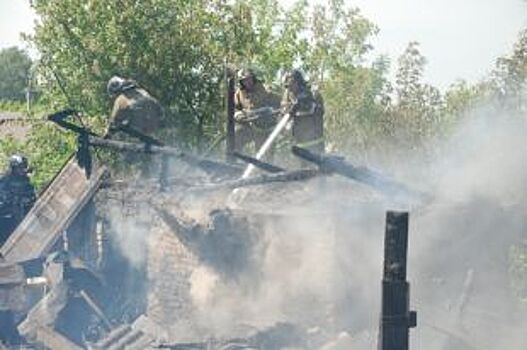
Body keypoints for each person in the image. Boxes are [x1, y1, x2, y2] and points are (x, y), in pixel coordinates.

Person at [234, 67, 281, 154]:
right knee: (236, 136)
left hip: (264, 128)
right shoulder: (239, 94)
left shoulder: (266, 90)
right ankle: (235, 161)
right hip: (249, 126)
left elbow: (279, 105)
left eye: (249, 79)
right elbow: (236, 109)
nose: (247, 82)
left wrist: (268, 111)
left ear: (253, 78)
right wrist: (239, 115)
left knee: (263, 155)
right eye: (244, 80)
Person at [281, 69, 325, 154]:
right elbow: (284, 113)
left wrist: (302, 106)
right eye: (288, 85)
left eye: (292, 83)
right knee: (302, 166)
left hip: (315, 140)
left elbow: (318, 112)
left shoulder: (311, 94)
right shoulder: (288, 98)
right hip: (298, 141)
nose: (290, 87)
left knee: (318, 164)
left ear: (299, 82)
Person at [0, 154, 36, 245]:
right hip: (8, 217)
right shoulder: (5, 181)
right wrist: (17, 200)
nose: (22, 169)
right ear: (14, 168)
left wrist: (29, 200)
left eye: (23, 166)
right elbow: (5, 199)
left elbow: (32, 196)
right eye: (20, 167)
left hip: (25, 214)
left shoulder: (25, 181)